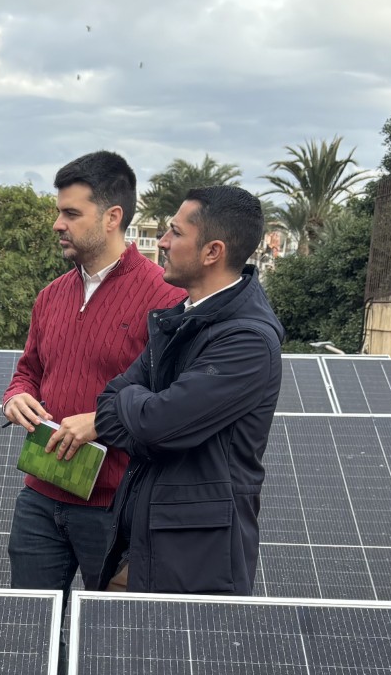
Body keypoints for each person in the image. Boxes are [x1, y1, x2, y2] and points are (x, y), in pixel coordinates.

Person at [1, 151, 185, 590]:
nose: (57, 224)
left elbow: (171, 405)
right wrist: (16, 396)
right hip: (41, 497)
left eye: (71, 213)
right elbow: (29, 369)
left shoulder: (164, 299)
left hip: (117, 508)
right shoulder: (51, 296)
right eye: (58, 212)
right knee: (28, 629)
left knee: (111, 646)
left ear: (112, 217)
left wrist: (104, 424)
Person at [94, 184, 284, 593]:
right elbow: (108, 409)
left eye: (176, 233)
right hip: (139, 548)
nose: (162, 242)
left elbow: (156, 425)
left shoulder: (246, 341)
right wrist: (146, 414)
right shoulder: (178, 318)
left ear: (212, 251)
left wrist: (144, 412)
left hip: (194, 567)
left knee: (180, 658)